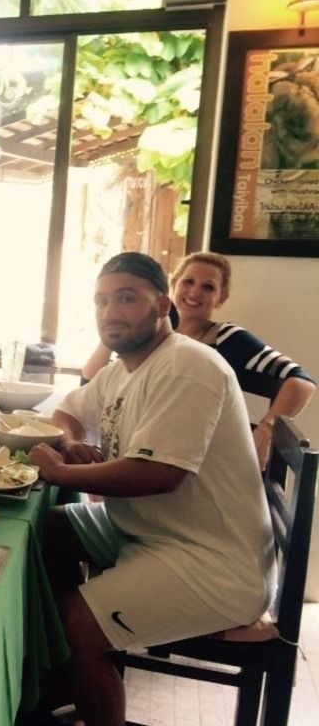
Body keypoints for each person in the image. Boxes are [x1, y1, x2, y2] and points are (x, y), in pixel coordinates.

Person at [30, 252, 275, 726]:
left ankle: (82, 658)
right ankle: (69, 677)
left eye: (126, 298)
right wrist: (71, 441)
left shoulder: (188, 365)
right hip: (147, 531)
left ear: (163, 306)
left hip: (212, 561)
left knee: (75, 626)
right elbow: (67, 413)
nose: (110, 312)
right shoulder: (123, 368)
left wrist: (60, 473)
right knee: (50, 528)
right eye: (101, 300)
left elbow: (158, 474)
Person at [80, 251, 314, 468]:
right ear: (174, 286)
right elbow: (91, 381)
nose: (194, 292)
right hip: (155, 450)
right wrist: (115, 326)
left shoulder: (228, 338)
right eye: (188, 282)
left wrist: (267, 430)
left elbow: (301, 381)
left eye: (208, 287)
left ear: (221, 298)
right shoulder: (151, 338)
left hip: (207, 462)